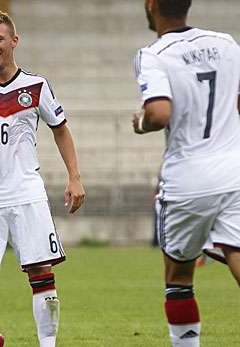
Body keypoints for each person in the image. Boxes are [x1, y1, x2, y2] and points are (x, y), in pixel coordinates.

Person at [0, 10, 85, 347]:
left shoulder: (36, 86)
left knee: (41, 273)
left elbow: (61, 131)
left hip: (26, 191)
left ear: (13, 41)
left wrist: (75, 178)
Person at [134, 0, 240, 345]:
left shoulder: (154, 54)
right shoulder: (226, 43)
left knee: (178, 276)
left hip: (188, 180)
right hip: (234, 172)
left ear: (151, 6)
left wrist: (139, 123)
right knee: (237, 253)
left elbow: (159, 113)